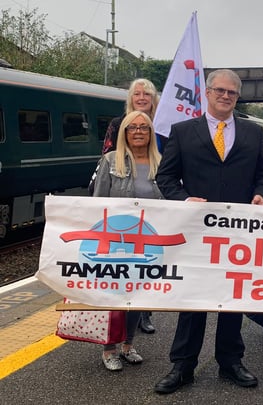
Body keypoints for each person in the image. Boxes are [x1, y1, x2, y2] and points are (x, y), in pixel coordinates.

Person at [154, 69, 263, 394]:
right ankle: (183, 365)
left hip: (238, 231)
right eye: (219, 90)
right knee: (192, 297)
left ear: (237, 97)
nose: (225, 96)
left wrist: (261, 193)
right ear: (206, 93)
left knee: (233, 296)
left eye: (231, 93)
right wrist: (184, 199)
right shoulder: (182, 132)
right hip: (196, 231)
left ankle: (230, 361)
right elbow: (165, 178)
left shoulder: (252, 133)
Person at [92, 110, 163, 371]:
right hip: (115, 243)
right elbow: (98, 202)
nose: (138, 132)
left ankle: (128, 344)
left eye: (144, 127)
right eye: (132, 127)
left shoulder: (161, 162)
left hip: (146, 245)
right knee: (113, 298)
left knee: (136, 297)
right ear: (124, 132)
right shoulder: (111, 161)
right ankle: (109, 348)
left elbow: (168, 203)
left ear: (151, 133)